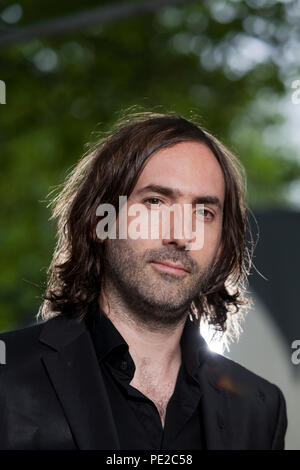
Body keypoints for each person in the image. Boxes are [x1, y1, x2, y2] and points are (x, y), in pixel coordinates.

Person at [0, 112, 287, 450]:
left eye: (204, 212)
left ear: (222, 245)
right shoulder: (7, 377)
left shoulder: (259, 408)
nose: (181, 235)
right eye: (155, 202)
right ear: (99, 221)